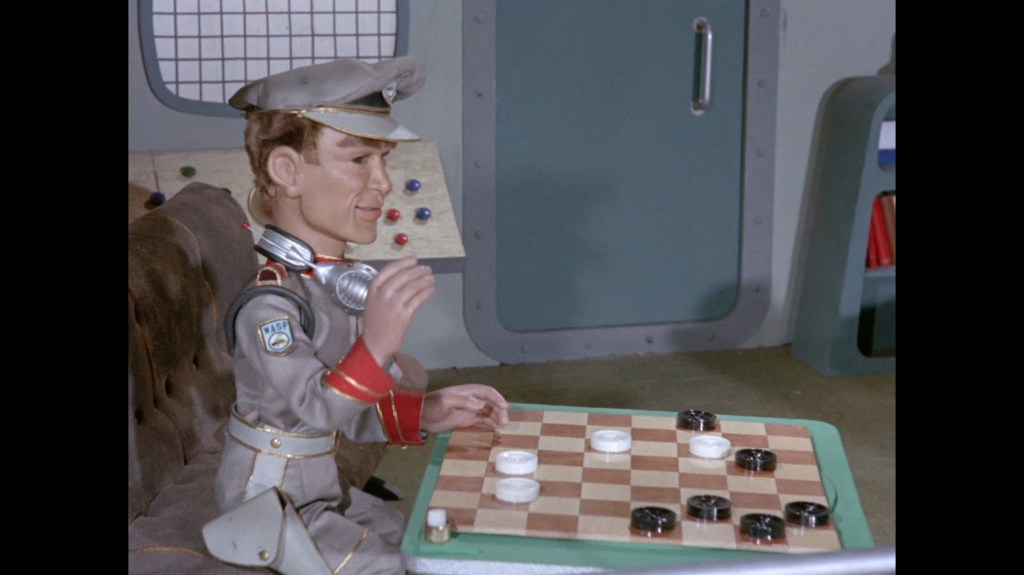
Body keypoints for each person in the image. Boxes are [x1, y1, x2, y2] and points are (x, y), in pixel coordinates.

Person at [202, 57, 509, 575]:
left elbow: (346, 408)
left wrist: (425, 412)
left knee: (419, 540)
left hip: (317, 488)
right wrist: (377, 343)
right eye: (361, 159)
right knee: (396, 564)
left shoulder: (323, 287)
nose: (383, 182)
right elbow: (318, 409)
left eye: (383, 160)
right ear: (287, 171)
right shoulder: (270, 306)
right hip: (268, 503)